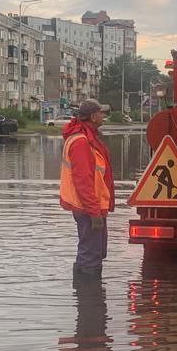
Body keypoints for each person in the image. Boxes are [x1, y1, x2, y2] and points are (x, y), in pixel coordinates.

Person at [59, 99, 115, 277]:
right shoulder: (81, 142)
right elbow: (83, 181)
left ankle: (86, 299)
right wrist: (94, 212)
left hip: (90, 206)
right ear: (93, 116)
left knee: (95, 252)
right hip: (88, 208)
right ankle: (89, 299)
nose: (103, 116)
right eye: (101, 113)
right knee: (90, 257)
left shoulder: (86, 138)